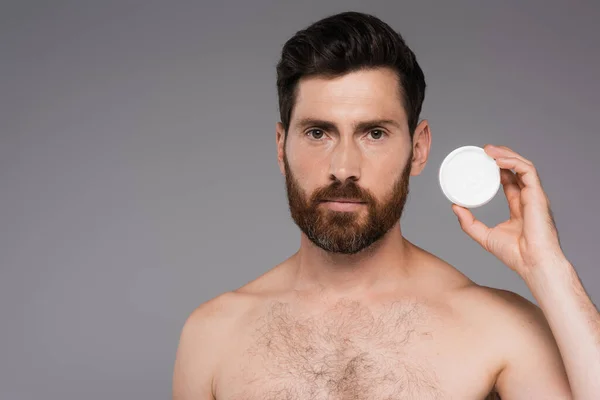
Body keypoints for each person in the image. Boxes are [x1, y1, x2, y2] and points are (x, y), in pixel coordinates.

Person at [172, 11, 599, 400]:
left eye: (374, 133)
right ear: (282, 148)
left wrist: (548, 269)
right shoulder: (213, 336)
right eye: (318, 133)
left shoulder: (501, 330)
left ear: (417, 149)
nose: (343, 168)